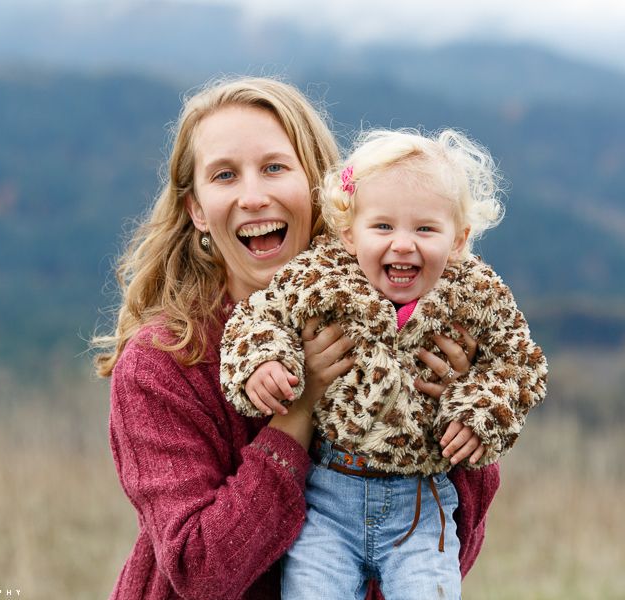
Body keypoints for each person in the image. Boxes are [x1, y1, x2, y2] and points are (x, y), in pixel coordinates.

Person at [92, 77, 501, 600]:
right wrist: (297, 413)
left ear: (322, 188)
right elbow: (200, 572)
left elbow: (448, 554)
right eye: (224, 175)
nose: (253, 196)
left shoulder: (404, 328)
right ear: (197, 210)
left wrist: (459, 423)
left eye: (274, 168)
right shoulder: (162, 364)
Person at [220, 128, 548, 600]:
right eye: (383, 227)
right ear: (349, 234)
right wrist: (264, 360)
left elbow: (519, 364)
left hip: (422, 501)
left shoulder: (476, 295)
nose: (402, 245)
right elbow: (259, 316)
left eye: (426, 229)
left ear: (458, 239)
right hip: (328, 495)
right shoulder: (323, 276)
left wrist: (480, 410)